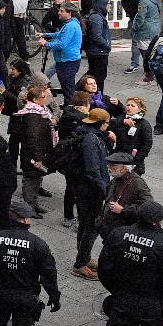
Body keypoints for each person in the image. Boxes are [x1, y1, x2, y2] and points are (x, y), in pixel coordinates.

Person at [70, 109, 113, 280]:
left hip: (85, 189)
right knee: (92, 227)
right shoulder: (91, 141)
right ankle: (80, 264)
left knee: (85, 224)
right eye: (107, 123)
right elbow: (92, 170)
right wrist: (104, 191)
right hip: (90, 191)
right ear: (100, 124)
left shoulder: (90, 136)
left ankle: (84, 257)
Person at [8, 84, 56, 215]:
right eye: (42, 97)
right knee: (31, 180)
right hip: (33, 155)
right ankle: (29, 208)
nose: (44, 100)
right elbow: (33, 139)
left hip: (37, 152)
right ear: (34, 100)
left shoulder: (40, 111)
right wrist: (38, 158)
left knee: (35, 179)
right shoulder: (33, 116)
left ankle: (34, 205)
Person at [38, 2, 83, 102]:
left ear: (69, 13)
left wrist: (46, 44)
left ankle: (70, 108)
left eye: (62, 11)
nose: (59, 13)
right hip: (66, 60)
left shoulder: (70, 26)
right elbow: (60, 34)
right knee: (67, 87)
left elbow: (62, 44)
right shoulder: (69, 24)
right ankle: (68, 105)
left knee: (68, 88)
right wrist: (45, 34)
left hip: (68, 61)